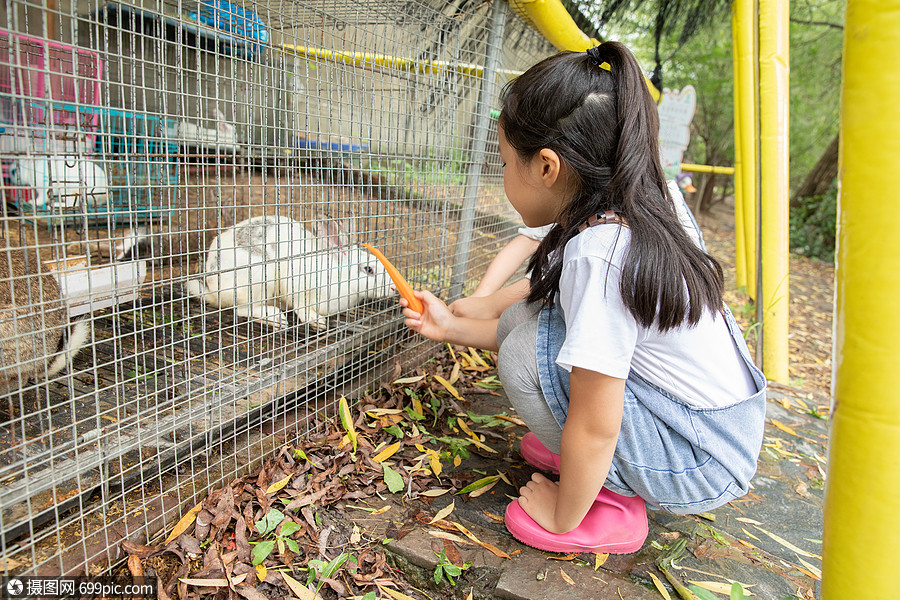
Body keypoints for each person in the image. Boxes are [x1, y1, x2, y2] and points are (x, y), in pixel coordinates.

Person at [399, 42, 766, 554]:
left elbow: (595, 424)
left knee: (525, 354)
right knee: (532, 321)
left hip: (699, 461)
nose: (502, 176)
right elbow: (537, 311)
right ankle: (597, 469)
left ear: (547, 167)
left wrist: (562, 514)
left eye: (504, 163)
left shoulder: (600, 253)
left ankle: (611, 503)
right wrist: (451, 328)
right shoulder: (642, 202)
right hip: (712, 431)